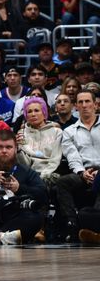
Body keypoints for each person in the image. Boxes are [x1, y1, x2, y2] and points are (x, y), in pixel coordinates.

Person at [56, 90, 100, 240]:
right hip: (84, 172)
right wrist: (82, 172)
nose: (84, 105)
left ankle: (94, 226)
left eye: (88, 101)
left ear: (95, 104)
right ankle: (72, 225)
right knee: (62, 182)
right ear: (76, 106)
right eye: (80, 102)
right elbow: (72, 155)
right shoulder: (69, 131)